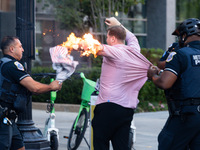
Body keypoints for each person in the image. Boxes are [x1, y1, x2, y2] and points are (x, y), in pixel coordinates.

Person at [91, 17, 152, 150]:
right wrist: (118, 24)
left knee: (101, 145)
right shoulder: (134, 51)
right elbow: (132, 37)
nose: (107, 40)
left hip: (108, 107)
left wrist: (77, 44)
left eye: (107, 37)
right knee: (121, 146)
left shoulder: (116, 51)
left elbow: (97, 48)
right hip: (126, 111)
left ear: (112, 38)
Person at [0, 36, 62, 150]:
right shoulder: (12, 66)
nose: (23, 49)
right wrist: (51, 86)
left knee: (20, 148)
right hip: (3, 119)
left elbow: (25, 89)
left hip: (9, 119)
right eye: (20, 46)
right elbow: (34, 88)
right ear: (12, 49)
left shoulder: (4, 63)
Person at [148, 18, 200, 150]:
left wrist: (153, 76)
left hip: (186, 114)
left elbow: (165, 83)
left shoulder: (180, 54)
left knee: (167, 142)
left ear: (184, 36)